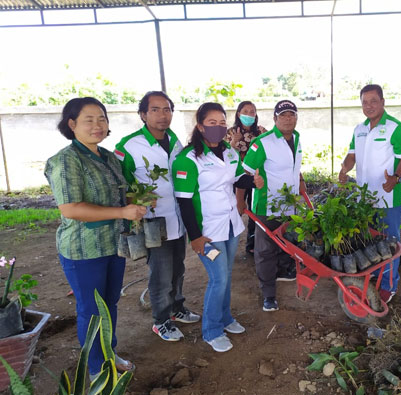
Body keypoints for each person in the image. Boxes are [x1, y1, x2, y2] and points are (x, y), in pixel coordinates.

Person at [45, 97, 147, 379]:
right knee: (91, 310)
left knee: (109, 303)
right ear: (72, 124)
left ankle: (109, 353)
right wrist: (122, 211)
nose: (97, 125)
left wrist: (136, 201)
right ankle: (95, 369)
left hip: (112, 245)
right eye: (89, 119)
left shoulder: (109, 158)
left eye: (102, 118)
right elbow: (71, 208)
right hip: (83, 250)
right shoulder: (65, 161)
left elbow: (120, 194)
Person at [172, 102, 262, 352]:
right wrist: (196, 236)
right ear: (200, 126)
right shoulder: (188, 159)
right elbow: (184, 201)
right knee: (218, 278)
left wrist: (252, 181)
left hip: (231, 226)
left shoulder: (230, 153)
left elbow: (235, 179)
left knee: (226, 276)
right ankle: (212, 330)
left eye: (222, 123)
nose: (218, 127)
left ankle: (225, 318)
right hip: (207, 231)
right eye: (212, 123)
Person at [115, 91, 200, 342]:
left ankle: (176, 309)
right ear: (143, 114)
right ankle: (160, 321)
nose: (163, 115)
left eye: (167, 109)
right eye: (155, 110)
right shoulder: (128, 146)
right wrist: (138, 199)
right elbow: (119, 187)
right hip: (153, 221)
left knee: (178, 268)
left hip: (177, 218)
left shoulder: (174, 140)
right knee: (161, 274)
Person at [338, 84, 401, 303]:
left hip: (389, 197)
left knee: (389, 243)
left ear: (382, 102)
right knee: (370, 241)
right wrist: (344, 168)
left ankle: (389, 285)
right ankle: (373, 277)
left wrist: (396, 178)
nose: (368, 106)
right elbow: (352, 155)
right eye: (364, 102)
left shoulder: (396, 128)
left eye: (373, 101)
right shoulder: (359, 129)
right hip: (364, 199)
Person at [242, 100, 306, 312]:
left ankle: (284, 271)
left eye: (291, 115)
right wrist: (239, 200)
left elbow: (294, 166)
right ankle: (268, 294)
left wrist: (301, 181)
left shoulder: (296, 138)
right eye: (283, 115)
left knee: (286, 242)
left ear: (296, 117)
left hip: (290, 204)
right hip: (267, 205)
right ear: (275, 118)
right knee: (265, 250)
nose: (288, 119)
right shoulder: (262, 142)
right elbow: (245, 172)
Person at [225, 101, 267, 254]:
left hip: (256, 178)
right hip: (236, 177)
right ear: (238, 114)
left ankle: (253, 243)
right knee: (236, 207)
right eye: (246, 111)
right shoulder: (230, 132)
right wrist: (234, 143)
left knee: (254, 210)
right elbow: (222, 156)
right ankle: (228, 242)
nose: (249, 115)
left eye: (252, 112)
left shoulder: (261, 132)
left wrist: (264, 137)